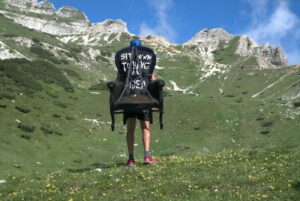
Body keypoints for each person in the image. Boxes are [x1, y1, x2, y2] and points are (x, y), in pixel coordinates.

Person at [115, 39, 157, 167]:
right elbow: (153, 80)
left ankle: (131, 159)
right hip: (144, 98)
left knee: (130, 129)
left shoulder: (124, 63)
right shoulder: (147, 61)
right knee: (145, 127)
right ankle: (147, 156)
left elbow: (118, 81)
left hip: (129, 99)